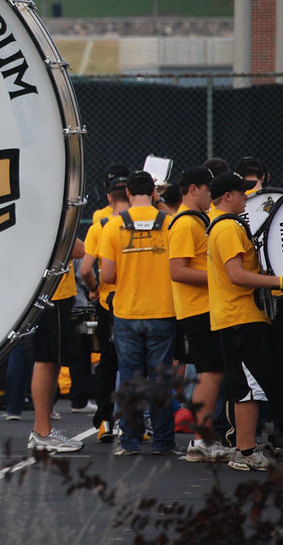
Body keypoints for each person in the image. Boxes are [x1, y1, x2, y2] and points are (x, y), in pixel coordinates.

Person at [206, 171, 283, 471]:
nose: (247, 197)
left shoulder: (225, 226)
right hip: (238, 319)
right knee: (248, 388)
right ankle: (245, 452)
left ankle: (244, 448)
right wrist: (279, 282)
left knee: (247, 387)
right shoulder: (228, 229)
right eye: (242, 192)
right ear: (227, 197)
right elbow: (236, 275)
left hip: (238, 318)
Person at [98, 171, 178, 457]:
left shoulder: (112, 225)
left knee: (131, 380)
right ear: (153, 194)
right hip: (163, 310)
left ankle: (130, 442)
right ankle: (164, 442)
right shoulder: (169, 223)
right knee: (160, 381)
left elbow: (107, 273)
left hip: (127, 311)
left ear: (128, 193)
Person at [167, 166, 232, 463]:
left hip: (204, 308)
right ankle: (201, 439)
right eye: (208, 190)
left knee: (212, 373)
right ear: (194, 189)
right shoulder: (185, 224)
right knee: (210, 374)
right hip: (197, 310)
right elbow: (178, 271)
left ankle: (203, 438)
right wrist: (221, 276)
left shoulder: (197, 221)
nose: (211, 196)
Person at [80, 175, 129, 442]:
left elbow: (85, 268)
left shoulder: (100, 226)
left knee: (107, 364)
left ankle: (104, 422)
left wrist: (94, 287)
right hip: (139, 302)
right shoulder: (149, 225)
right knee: (136, 364)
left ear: (109, 197)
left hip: (108, 304)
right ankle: (135, 423)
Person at [26, 238, 86, 453]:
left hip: (56, 292)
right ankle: (42, 432)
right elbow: (79, 249)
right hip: (52, 292)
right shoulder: (51, 217)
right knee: (46, 360)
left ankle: (43, 431)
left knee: (52, 361)